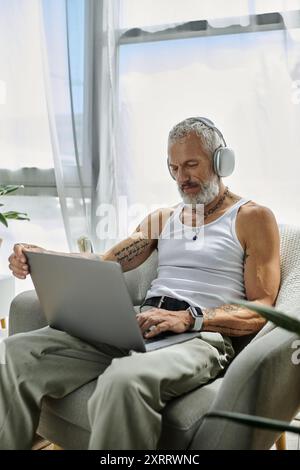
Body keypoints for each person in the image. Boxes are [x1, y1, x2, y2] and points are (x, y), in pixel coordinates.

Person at [1, 117, 280, 450]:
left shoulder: (253, 218)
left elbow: (262, 307)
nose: (182, 178)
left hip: (200, 335)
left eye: (191, 165)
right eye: (174, 168)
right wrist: (41, 255)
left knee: (123, 381)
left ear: (222, 161)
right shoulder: (164, 218)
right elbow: (106, 263)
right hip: (140, 323)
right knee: (20, 351)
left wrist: (191, 317)